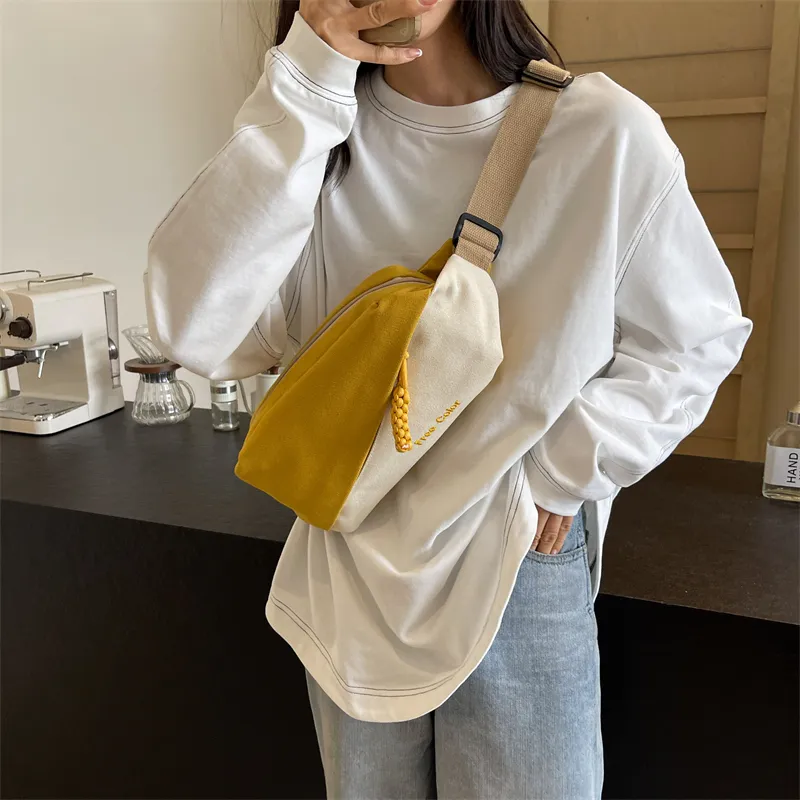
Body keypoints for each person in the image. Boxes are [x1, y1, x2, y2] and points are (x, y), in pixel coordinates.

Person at [145, 0, 751, 796]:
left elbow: (697, 339)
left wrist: (559, 472)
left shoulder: (603, 132)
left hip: (515, 555)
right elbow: (193, 328)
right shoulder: (314, 132)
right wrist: (307, 85)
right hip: (353, 558)